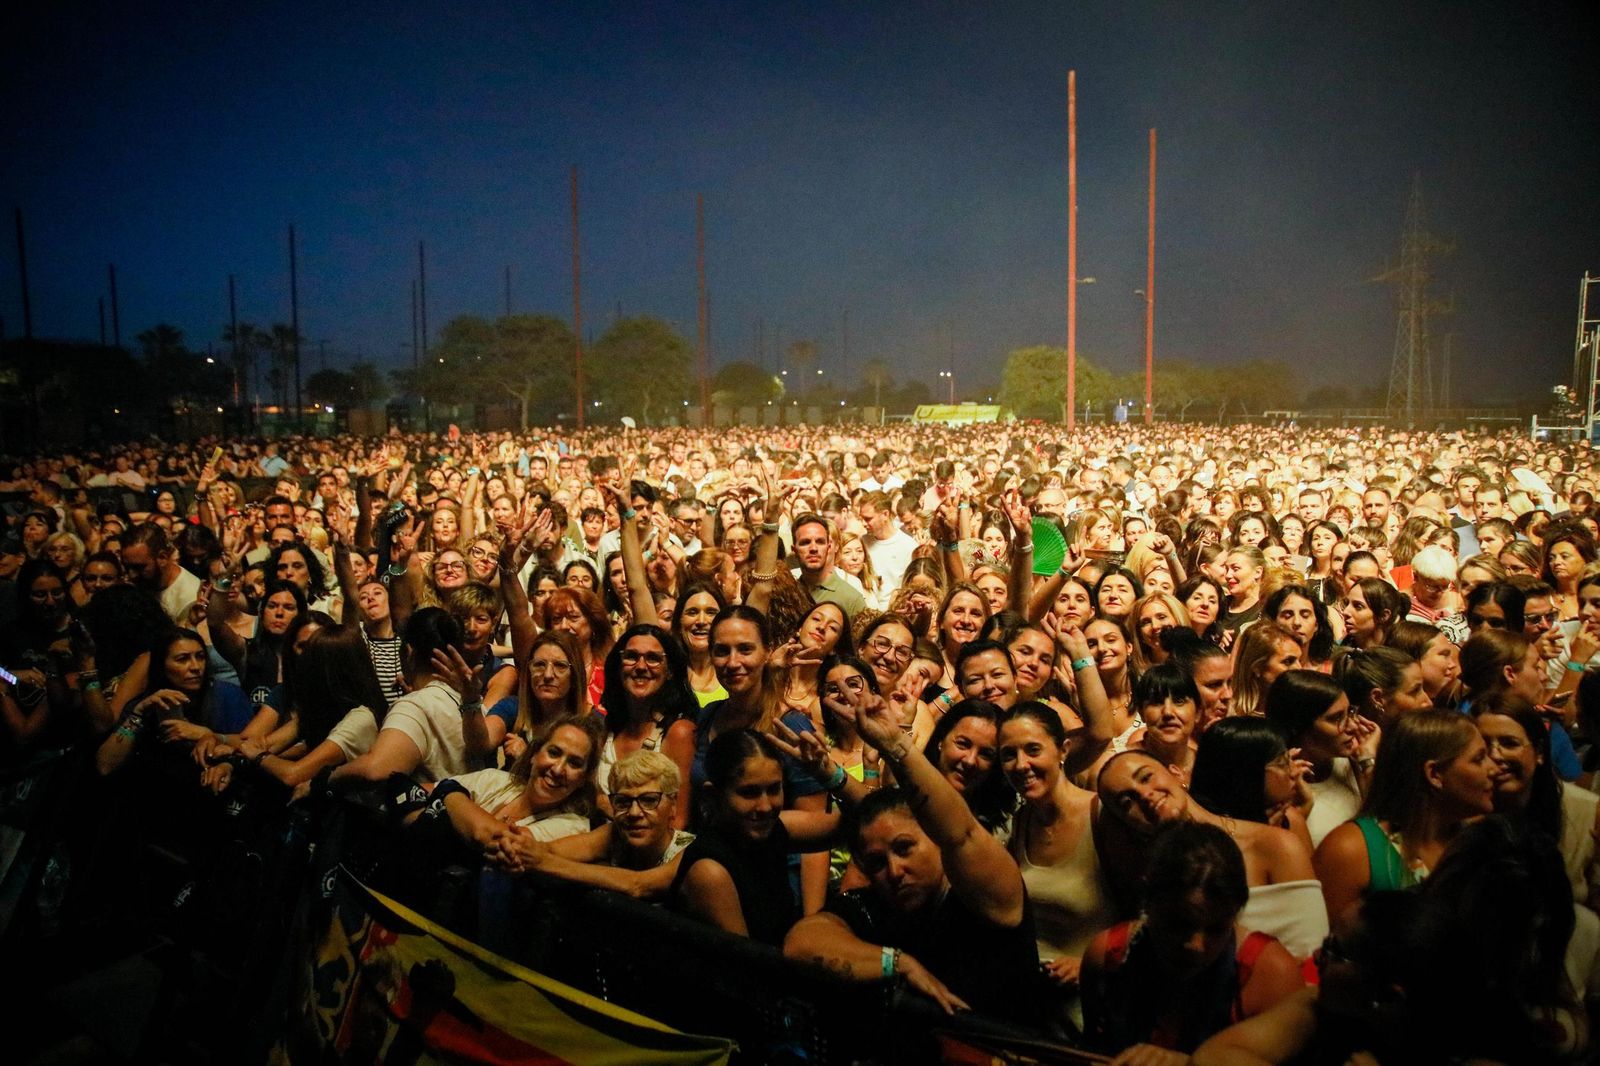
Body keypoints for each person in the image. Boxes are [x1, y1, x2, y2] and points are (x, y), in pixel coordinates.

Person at [784, 688, 1043, 1024]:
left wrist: (896, 744)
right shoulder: (883, 900)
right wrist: (897, 963)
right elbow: (801, 942)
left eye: (905, 848)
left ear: (935, 837)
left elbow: (961, 834)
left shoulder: (986, 887)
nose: (894, 870)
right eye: (876, 862)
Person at [1082, 822, 1306, 1061]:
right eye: (1180, 924)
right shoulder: (1109, 957)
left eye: (1216, 929)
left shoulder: (1270, 977)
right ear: (1148, 899)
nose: (1196, 946)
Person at [1313, 711, 1495, 922]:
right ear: (1434, 774)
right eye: (1479, 759)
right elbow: (1328, 939)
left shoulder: (1475, 838)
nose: (1493, 768)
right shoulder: (1351, 850)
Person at [999, 701, 1112, 1022]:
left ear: (1063, 750)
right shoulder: (1019, 823)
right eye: (1009, 755)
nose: (1021, 765)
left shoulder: (1102, 815)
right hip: (1037, 1008)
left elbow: (1149, 915)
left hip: (1096, 1004)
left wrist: (1092, 961)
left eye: (1033, 749)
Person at [671, 730, 833, 946]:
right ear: (713, 795)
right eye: (749, 793)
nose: (765, 806)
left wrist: (832, 775)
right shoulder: (710, 872)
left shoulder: (771, 831)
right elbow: (749, 962)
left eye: (774, 789)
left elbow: (863, 824)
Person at [489, 750, 696, 897]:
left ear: (673, 804)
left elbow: (638, 884)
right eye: (623, 802)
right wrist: (514, 849)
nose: (634, 812)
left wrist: (540, 861)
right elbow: (549, 850)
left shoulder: (689, 852)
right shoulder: (614, 834)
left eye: (649, 800)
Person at [1263, 669, 1372, 849]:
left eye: (1350, 712)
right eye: (1336, 718)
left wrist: (1368, 763)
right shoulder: (1277, 787)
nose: (1352, 726)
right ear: (1298, 726)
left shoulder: (1352, 761)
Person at [1191, 717, 1315, 850]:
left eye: (1289, 758)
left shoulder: (1292, 820)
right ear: (1245, 774)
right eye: (1282, 763)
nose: (1295, 772)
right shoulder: (1199, 837)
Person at [1229, 622, 1304, 718]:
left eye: (1299, 660)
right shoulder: (1226, 715)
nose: (1299, 668)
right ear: (1257, 667)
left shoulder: (1300, 711)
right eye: (1288, 662)